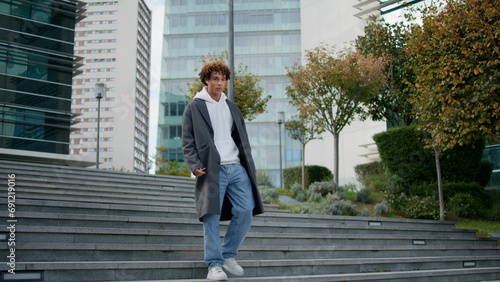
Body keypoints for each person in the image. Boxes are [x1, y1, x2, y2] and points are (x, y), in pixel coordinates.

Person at [181, 61, 264, 281]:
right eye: (215, 78)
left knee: (246, 210)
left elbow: (241, 137)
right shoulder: (194, 107)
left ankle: (228, 254)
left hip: (236, 166)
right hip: (211, 168)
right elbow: (188, 140)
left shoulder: (231, 106)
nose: (220, 83)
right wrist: (194, 163)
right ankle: (214, 265)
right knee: (211, 216)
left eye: (223, 79)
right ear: (206, 80)